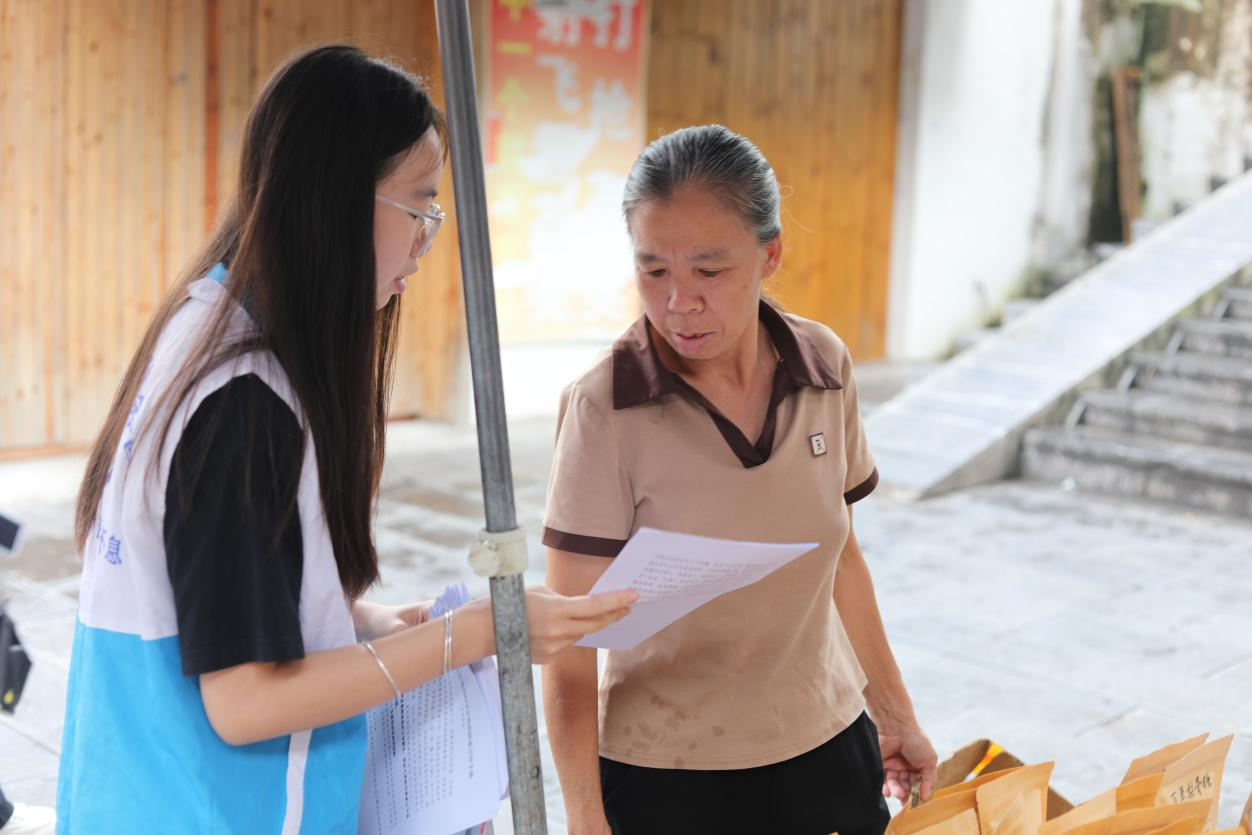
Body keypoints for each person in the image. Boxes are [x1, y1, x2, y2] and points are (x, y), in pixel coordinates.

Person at [56, 45, 635, 834]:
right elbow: (244, 699)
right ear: (335, 198)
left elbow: (218, 588)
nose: (424, 244)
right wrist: (468, 633)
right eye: (419, 209)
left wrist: (361, 619)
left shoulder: (204, 324)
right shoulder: (243, 403)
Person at [541, 124, 936, 835]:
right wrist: (584, 817)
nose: (678, 301)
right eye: (653, 270)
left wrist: (896, 715)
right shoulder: (605, 407)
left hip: (828, 748)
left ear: (770, 253)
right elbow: (568, 637)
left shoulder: (824, 365)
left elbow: (842, 556)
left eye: (709, 270)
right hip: (668, 777)